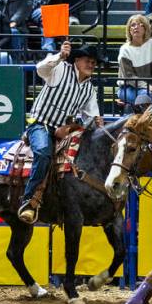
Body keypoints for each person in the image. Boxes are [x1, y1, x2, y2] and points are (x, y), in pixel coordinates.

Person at [18, 41, 101, 224]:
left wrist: (97, 121)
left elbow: (91, 115)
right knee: (43, 153)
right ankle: (29, 201)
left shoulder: (89, 89)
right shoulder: (60, 69)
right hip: (40, 124)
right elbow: (40, 69)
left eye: (94, 63)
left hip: (64, 131)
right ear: (77, 60)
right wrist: (59, 56)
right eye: (88, 60)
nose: (91, 65)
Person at [117, 14, 152, 112]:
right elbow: (130, 78)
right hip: (128, 87)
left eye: (140, 24)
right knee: (145, 96)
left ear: (146, 28)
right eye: (133, 25)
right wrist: (151, 88)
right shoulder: (125, 49)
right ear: (129, 30)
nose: (136, 27)